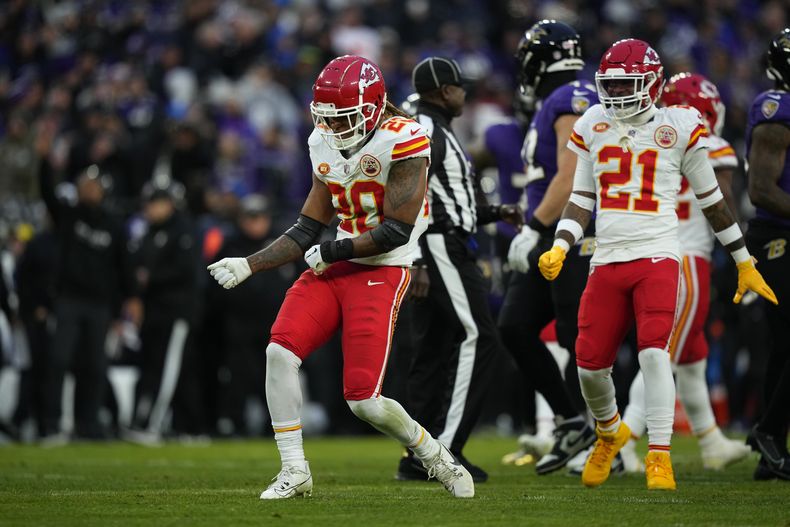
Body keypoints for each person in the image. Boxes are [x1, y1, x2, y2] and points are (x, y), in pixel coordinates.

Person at [207, 55, 474, 499]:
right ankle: (295, 469)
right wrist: (250, 263)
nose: (334, 128)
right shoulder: (323, 141)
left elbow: (396, 230)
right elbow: (308, 226)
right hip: (337, 264)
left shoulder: (405, 138)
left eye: (345, 117)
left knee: (364, 401)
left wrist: (335, 249)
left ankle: (433, 455)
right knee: (279, 351)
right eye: (327, 119)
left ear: (372, 108)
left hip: (382, 269)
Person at [539, 38, 777, 491]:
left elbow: (714, 202)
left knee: (654, 352)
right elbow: (581, 198)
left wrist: (744, 260)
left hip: (659, 255)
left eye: (628, 83)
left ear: (653, 84)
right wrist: (561, 245)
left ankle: (659, 455)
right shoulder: (593, 122)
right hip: (607, 258)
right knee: (590, 367)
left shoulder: (680, 124)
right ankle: (609, 433)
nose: (619, 93)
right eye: (611, 85)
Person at [394, 56, 522, 483]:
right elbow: (411, 199)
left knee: (433, 351)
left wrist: (495, 212)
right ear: (444, 91)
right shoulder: (425, 129)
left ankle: (416, 454)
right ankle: (441, 454)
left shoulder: (433, 127)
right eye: (460, 87)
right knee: (479, 337)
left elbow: (454, 204)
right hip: (437, 248)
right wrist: (420, 258)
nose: (465, 93)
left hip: (441, 244)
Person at [619, 72, 751, 472]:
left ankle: (711, 441)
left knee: (691, 357)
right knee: (664, 356)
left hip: (650, 253)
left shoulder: (649, 137)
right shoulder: (708, 142)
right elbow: (723, 202)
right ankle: (622, 442)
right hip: (688, 260)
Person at [497, 19, 600, 475]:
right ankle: (573, 421)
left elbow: (572, 172)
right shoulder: (555, 99)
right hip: (551, 235)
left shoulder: (569, 97)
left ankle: (602, 440)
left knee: (575, 337)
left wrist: (535, 228)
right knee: (515, 326)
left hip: (569, 237)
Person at [743, 28, 790, 482]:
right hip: (777, 237)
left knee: (784, 346)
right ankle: (770, 433)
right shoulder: (778, 107)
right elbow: (761, 189)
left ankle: (767, 451)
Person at [124, 180, 201, 443]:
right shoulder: (148, 232)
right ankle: (146, 420)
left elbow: (185, 270)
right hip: (154, 311)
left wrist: (149, 278)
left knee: (169, 369)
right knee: (152, 367)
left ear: (169, 204)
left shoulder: (184, 230)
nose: (150, 209)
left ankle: (153, 425)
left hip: (176, 312)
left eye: (156, 203)